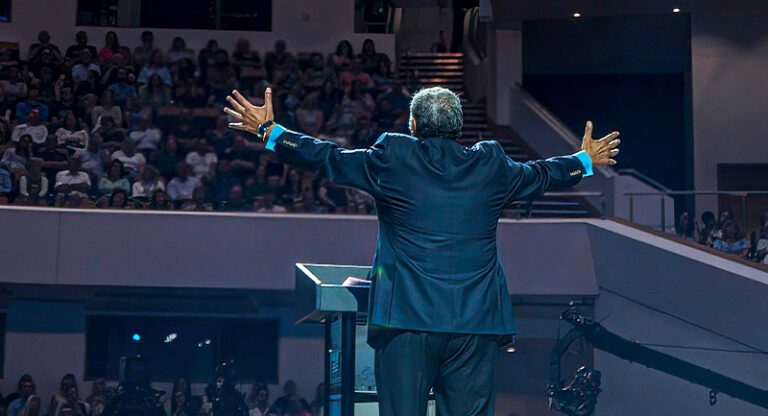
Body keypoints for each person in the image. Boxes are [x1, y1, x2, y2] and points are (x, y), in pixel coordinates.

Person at [225, 86, 619, 416]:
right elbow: (543, 174)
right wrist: (584, 159)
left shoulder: (393, 158)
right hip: (477, 324)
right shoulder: (491, 165)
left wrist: (270, 130)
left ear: (413, 126)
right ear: (459, 128)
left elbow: (326, 159)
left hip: (408, 322)